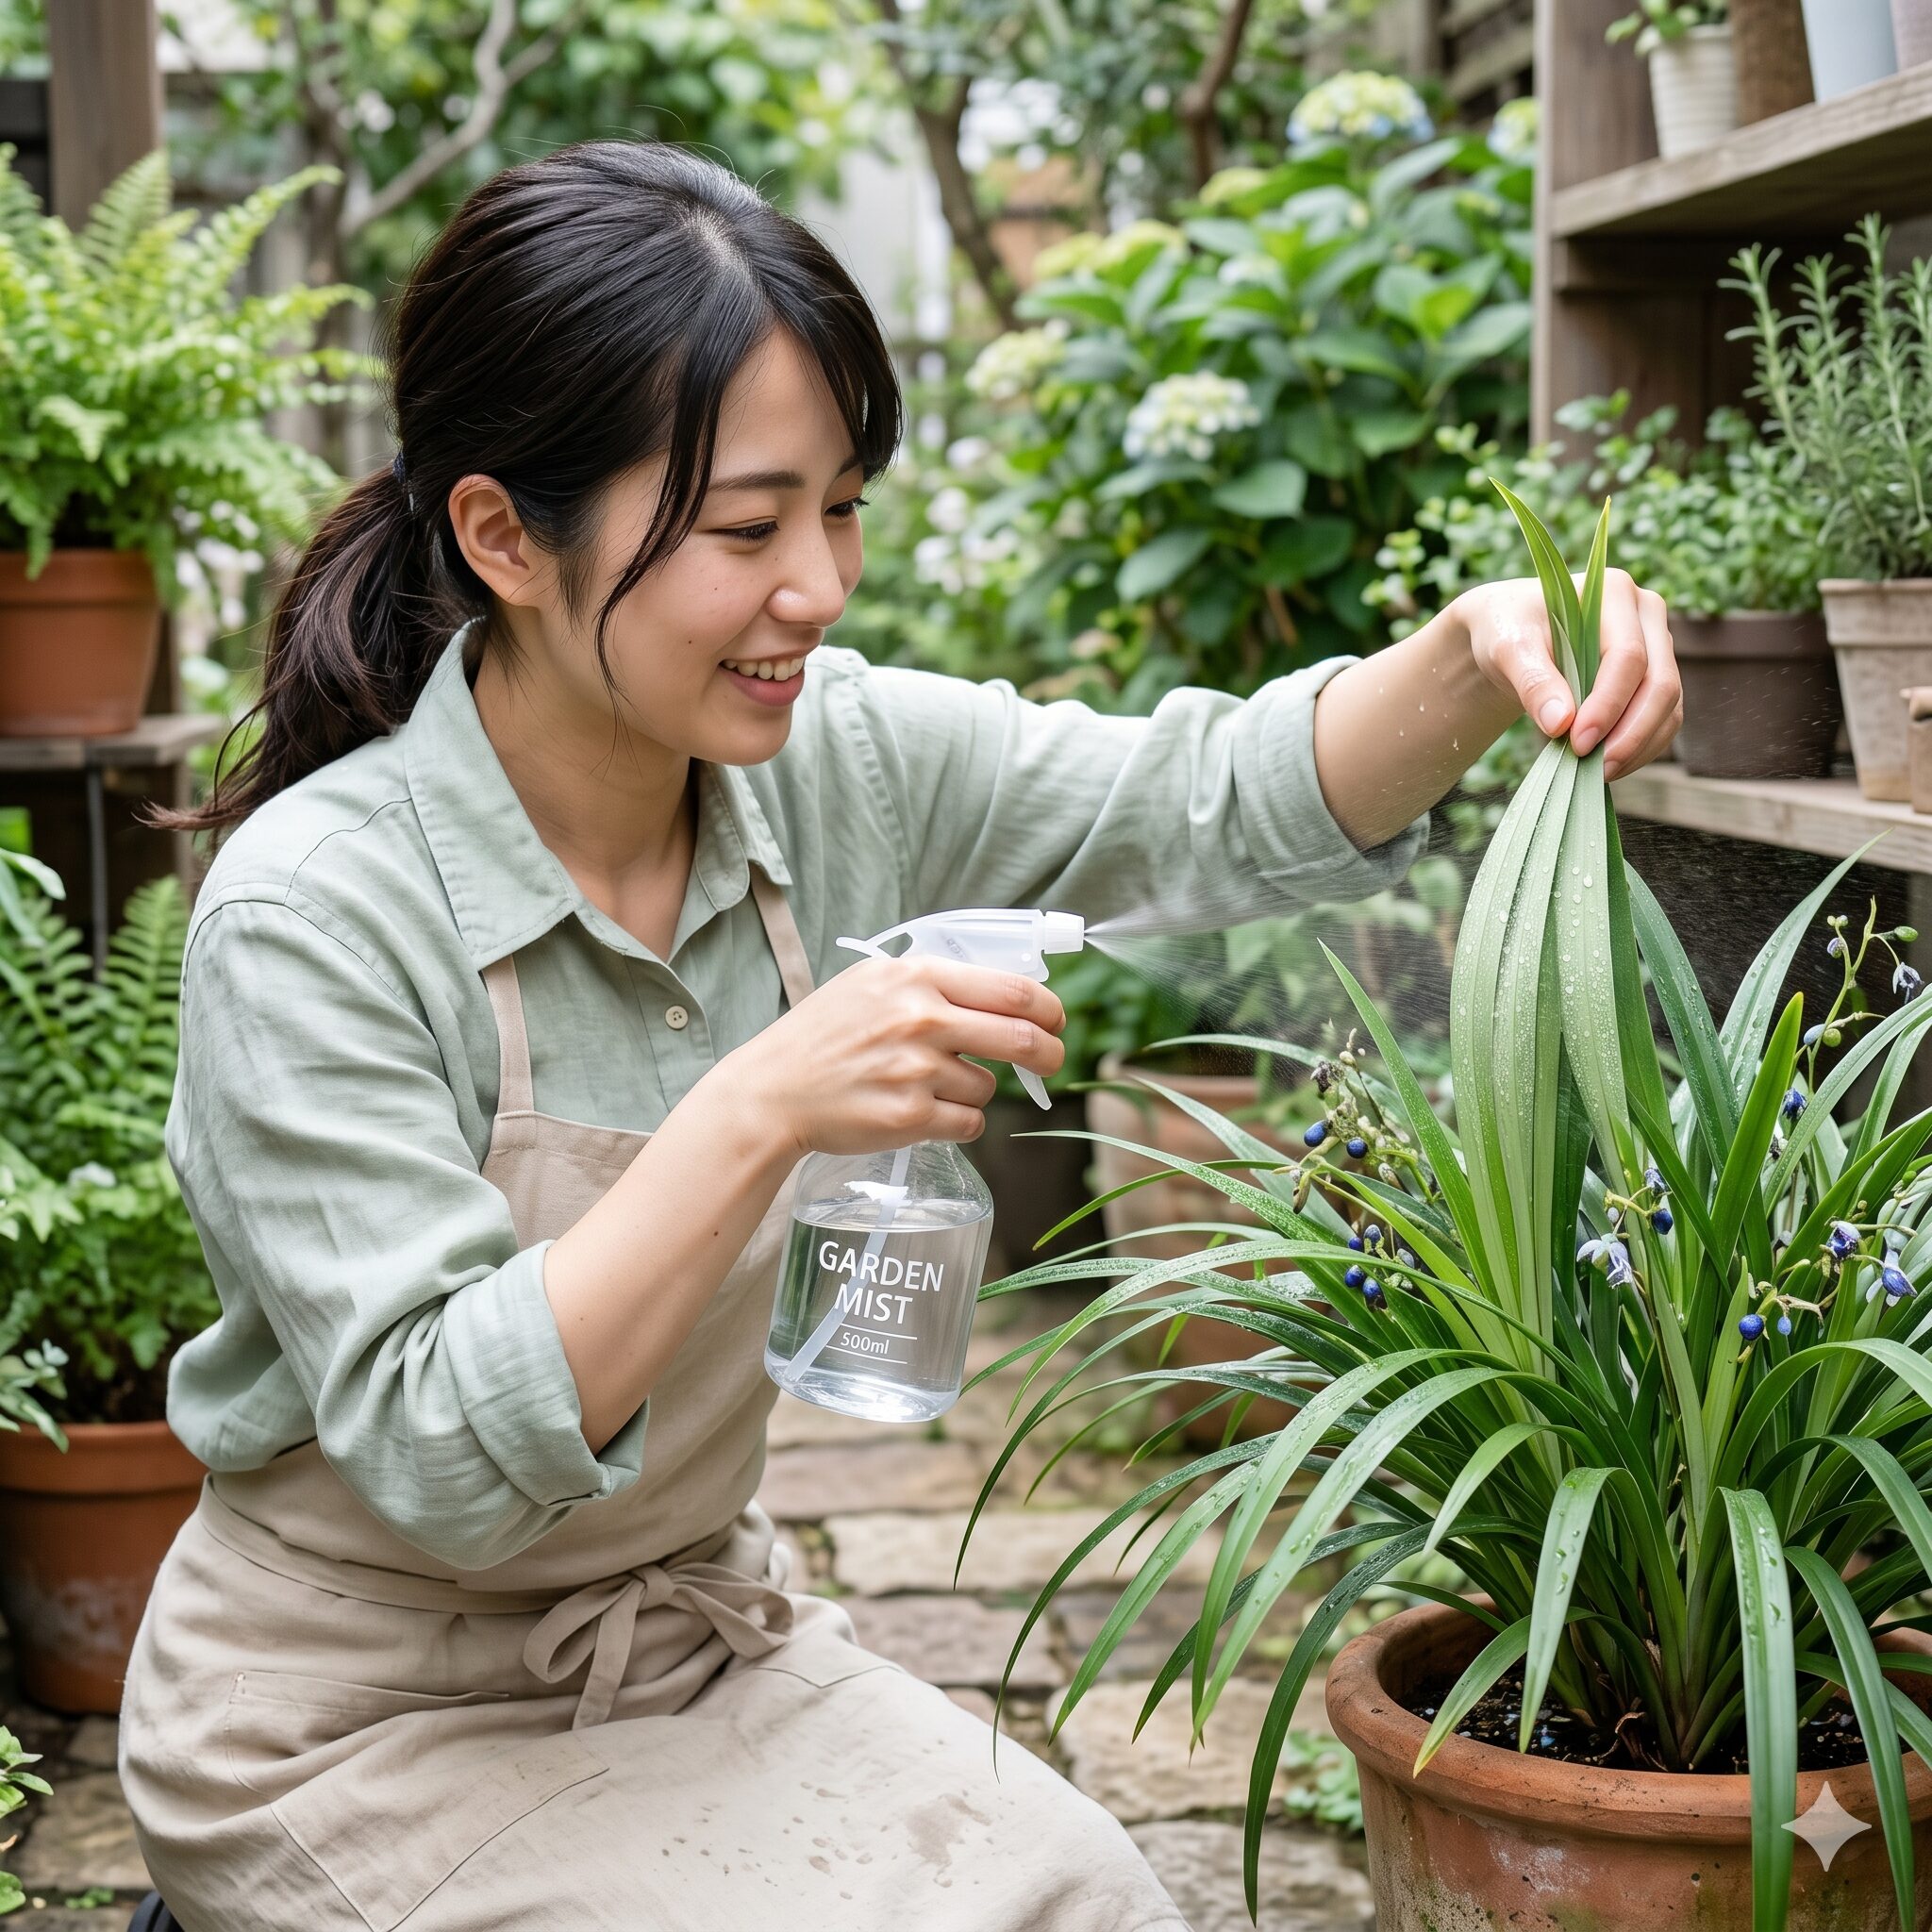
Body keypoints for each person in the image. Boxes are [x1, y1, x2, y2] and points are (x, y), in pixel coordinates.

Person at [121, 141, 1681, 1930]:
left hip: (690, 1646)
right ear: (502, 536)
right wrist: (762, 1104)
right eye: (745, 527)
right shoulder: (318, 914)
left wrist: (1476, 656)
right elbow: (445, 1465)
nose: (822, 587)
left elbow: (1205, 798)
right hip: (348, 1715)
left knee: (1093, 1899)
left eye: (841, 506)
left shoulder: (832, 766)